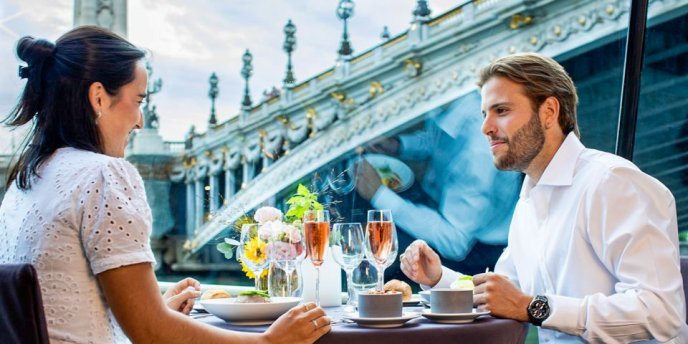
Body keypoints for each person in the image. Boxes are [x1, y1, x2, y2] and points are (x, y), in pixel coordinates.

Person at [0, 26, 330, 344]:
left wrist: (158, 311)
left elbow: (68, 308)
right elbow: (152, 334)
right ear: (99, 97)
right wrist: (269, 342)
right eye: (139, 100)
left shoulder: (27, 180)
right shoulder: (102, 175)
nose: (141, 121)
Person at [400, 53, 687, 343]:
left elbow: (661, 313)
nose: (485, 127)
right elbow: (505, 292)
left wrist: (533, 308)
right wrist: (439, 278)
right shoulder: (529, 198)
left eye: (501, 110)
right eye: (484, 114)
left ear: (549, 111)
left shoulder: (612, 183)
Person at [355, 92, 522, 276]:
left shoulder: (478, 156)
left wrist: (379, 195)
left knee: (365, 249)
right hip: (436, 204)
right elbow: (436, 139)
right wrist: (399, 145)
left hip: (476, 249)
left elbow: (455, 243)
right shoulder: (453, 101)